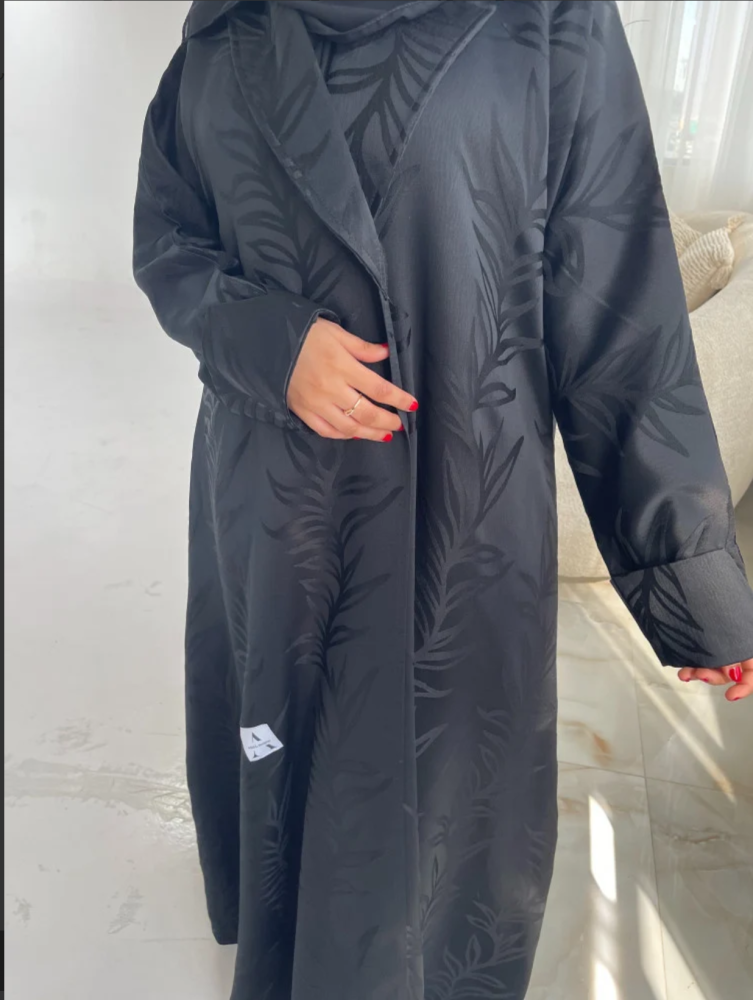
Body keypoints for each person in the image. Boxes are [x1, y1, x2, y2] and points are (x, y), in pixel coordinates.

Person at [133, 2, 753, 997]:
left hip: (459, 508)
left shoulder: (549, 22)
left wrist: (689, 575)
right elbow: (168, 234)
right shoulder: (225, 25)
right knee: (284, 754)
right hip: (269, 497)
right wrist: (270, 342)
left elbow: (616, 307)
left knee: (440, 814)